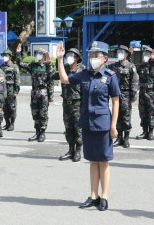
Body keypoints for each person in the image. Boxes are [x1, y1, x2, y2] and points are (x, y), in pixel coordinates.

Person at [56, 41, 120, 211]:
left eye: (96, 55)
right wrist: (59, 59)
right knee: (92, 160)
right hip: (87, 123)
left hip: (103, 123)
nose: (92, 58)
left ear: (105, 58)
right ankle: (93, 195)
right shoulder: (85, 74)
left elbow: (116, 101)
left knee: (103, 161)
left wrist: (114, 126)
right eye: (91, 55)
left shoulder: (110, 76)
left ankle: (104, 196)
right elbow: (64, 79)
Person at [52, 47, 85, 162]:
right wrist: (57, 59)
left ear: (77, 58)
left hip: (78, 103)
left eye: (72, 55)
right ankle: (71, 150)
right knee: (68, 128)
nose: (69, 57)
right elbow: (52, 75)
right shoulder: (64, 68)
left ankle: (78, 151)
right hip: (66, 103)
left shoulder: (82, 70)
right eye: (68, 55)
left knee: (78, 128)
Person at [19, 48, 55, 142]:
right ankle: (37, 132)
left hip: (44, 92)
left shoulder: (47, 66)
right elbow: (20, 64)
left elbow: (51, 81)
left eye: (40, 54)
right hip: (34, 92)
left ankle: (42, 133)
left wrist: (51, 95)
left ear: (44, 56)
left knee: (43, 113)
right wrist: (18, 53)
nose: (38, 55)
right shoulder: (32, 65)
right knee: (35, 113)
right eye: (37, 54)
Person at [108, 45, 139, 148]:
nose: (120, 54)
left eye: (122, 52)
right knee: (117, 116)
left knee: (125, 116)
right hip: (115, 94)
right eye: (119, 52)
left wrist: (133, 96)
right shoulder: (113, 66)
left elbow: (134, 82)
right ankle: (119, 137)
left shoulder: (131, 66)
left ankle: (126, 138)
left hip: (126, 95)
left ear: (126, 54)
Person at [135, 46, 154, 140]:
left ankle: (150, 132)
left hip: (151, 93)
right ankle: (144, 131)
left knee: (151, 113)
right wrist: (130, 55)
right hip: (142, 92)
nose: (145, 56)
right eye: (144, 54)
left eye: (147, 54)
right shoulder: (140, 66)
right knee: (142, 112)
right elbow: (131, 67)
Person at [0, 49, 20, 131]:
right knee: (5, 108)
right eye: (3, 55)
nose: (4, 57)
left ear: (10, 57)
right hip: (3, 91)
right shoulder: (1, 67)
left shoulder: (14, 67)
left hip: (11, 91)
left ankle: (12, 124)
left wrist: (16, 91)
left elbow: (17, 80)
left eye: (6, 55)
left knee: (12, 108)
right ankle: (7, 123)